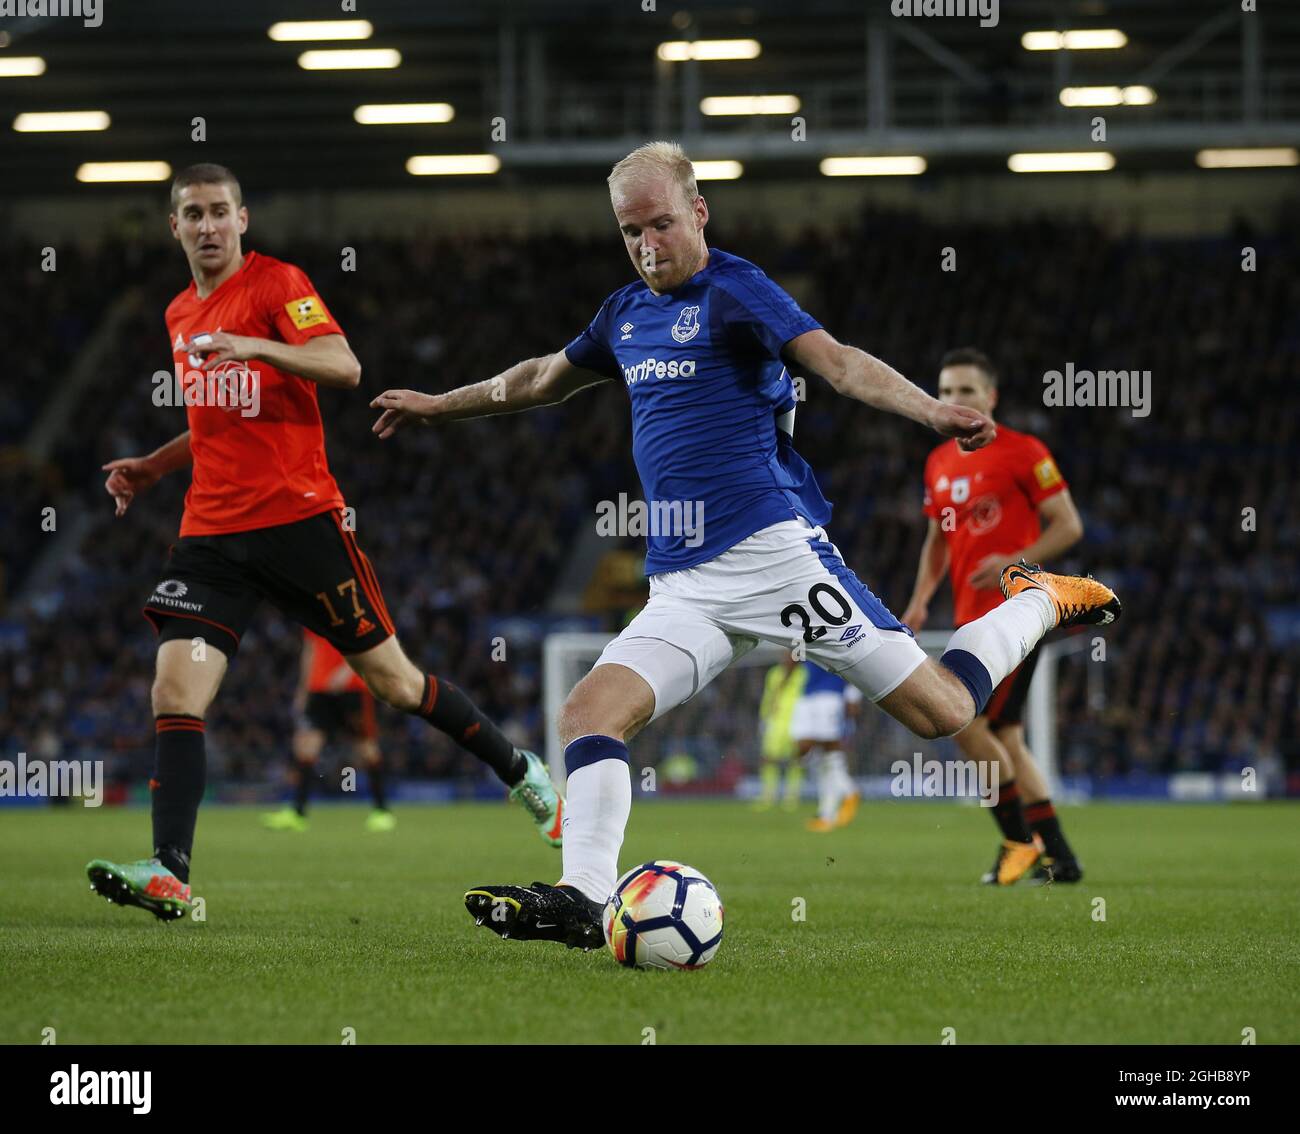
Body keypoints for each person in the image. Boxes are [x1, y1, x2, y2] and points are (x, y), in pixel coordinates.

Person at [370, 141, 1120, 949]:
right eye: (631, 232)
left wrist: (930, 414)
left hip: (775, 556)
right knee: (588, 712)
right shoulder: (622, 313)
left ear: (698, 212)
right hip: (683, 587)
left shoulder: (736, 289)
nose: (648, 247)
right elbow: (538, 380)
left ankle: (1040, 600)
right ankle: (584, 897)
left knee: (945, 712)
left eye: (662, 224)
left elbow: (837, 364)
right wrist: (440, 406)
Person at [86, 164, 561, 923]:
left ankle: (521, 770)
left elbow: (345, 366)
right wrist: (152, 466)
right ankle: (170, 873)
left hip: (301, 522)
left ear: (243, 220)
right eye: (192, 215)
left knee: (397, 686)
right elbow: (215, 421)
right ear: (174, 227)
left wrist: (259, 346)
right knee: (175, 692)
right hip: (211, 532)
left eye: (219, 212)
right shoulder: (180, 312)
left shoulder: (277, 286)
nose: (207, 226)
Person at [902, 348, 1085, 884]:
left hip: (1019, 616)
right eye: (945, 391)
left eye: (965, 391)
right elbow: (938, 540)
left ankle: (1017, 842)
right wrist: (918, 601)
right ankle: (1061, 857)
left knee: (964, 720)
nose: (954, 400)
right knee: (1003, 736)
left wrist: (1014, 562)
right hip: (971, 620)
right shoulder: (938, 462)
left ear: (990, 397)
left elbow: (1068, 526)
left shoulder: (1024, 452)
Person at [262, 629, 395, 833]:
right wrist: (303, 690)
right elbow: (310, 650)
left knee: (365, 748)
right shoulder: (310, 611)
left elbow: (368, 645)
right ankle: (298, 813)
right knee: (306, 747)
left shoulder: (350, 604)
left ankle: (382, 811)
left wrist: (347, 670)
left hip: (351, 688)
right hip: (319, 688)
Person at [795, 663, 863, 833]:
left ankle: (839, 800)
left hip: (830, 695)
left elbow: (854, 659)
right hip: (807, 694)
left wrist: (853, 696)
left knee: (828, 750)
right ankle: (831, 809)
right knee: (816, 755)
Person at [754, 653, 805, 811]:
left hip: (796, 721)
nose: (785, 658)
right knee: (768, 758)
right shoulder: (774, 673)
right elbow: (769, 696)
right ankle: (768, 795)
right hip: (776, 722)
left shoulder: (802, 674)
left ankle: (792, 796)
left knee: (796, 760)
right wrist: (764, 717)